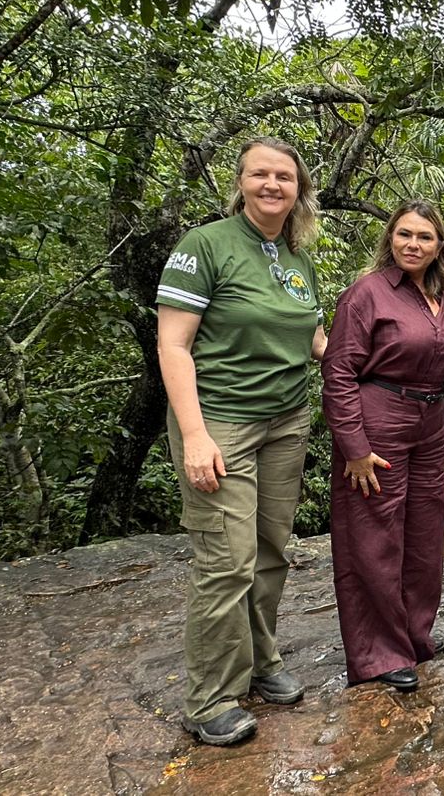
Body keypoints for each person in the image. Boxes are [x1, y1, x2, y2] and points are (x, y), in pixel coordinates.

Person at [156, 136, 328, 746]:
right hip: (221, 421)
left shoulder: (296, 258)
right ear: (241, 182)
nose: (273, 185)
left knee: (269, 549)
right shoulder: (205, 246)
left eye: (285, 176)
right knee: (226, 560)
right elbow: (173, 344)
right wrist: (196, 435)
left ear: (298, 189)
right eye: (261, 174)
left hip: (286, 420)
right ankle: (210, 697)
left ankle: (260, 664)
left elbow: (312, 339)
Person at [321, 200, 444, 694]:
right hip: (379, 418)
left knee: (425, 536)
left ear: (439, 246)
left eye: (424, 237)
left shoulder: (442, 297)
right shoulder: (367, 293)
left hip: (430, 425)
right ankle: (379, 653)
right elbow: (337, 371)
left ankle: (414, 637)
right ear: (390, 238)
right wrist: (354, 446)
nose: (413, 244)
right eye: (404, 234)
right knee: (375, 536)